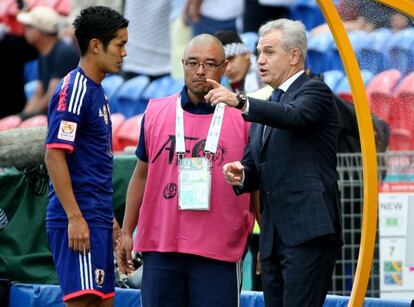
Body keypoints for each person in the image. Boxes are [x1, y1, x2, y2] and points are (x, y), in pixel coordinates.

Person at [205, 19, 342, 306]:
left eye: (269, 52)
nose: (260, 61)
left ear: (294, 56)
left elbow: (293, 116)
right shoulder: (265, 105)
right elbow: (254, 165)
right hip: (273, 237)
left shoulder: (315, 90)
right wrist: (242, 174)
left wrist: (241, 102)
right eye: (258, 53)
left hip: (307, 232)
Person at [116, 34, 255, 307]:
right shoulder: (156, 112)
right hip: (162, 246)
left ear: (224, 67)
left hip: (219, 251)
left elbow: (257, 184)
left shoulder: (245, 117)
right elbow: (141, 174)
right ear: (182, 64)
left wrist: (268, 245)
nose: (200, 71)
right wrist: (126, 232)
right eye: (193, 63)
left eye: (210, 63)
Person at [44, 6, 128, 306]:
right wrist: (75, 217)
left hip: (98, 217)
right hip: (80, 218)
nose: (125, 53)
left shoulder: (97, 90)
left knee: (103, 302)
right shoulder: (74, 88)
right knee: (84, 301)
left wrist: (110, 219)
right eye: (120, 44)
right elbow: (54, 155)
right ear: (96, 45)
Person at [17, 6, 79, 118]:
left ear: (38, 32)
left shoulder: (64, 52)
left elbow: (53, 94)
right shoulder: (43, 53)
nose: (25, 31)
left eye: (28, 27)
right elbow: (38, 93)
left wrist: (29, 117)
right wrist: (22, 117)